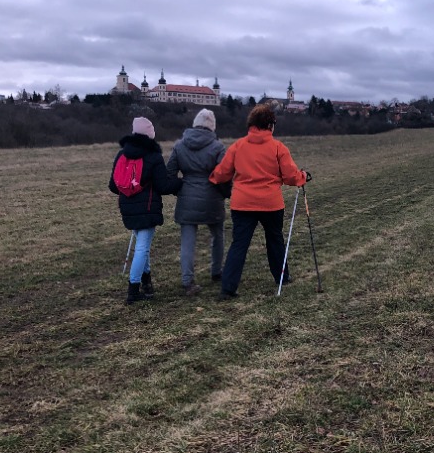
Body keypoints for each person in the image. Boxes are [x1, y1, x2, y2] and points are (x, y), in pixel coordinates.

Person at [209, 104, 309, 299]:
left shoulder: (238, 146)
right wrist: (303, 176)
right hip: (270, 203)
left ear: (251, 124)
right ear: (270, 125)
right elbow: (290, 176)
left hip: (242, 203)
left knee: (239, 244)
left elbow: (222, 173)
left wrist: (211, 178)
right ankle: (282, 277)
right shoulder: (278, 147)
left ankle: (228, 288)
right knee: (274, 240)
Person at [110, 116, 182, 304]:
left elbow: (112, 185)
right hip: (148, 207)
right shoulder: (153, 156)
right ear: (151, 134)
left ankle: (146, 282)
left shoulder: (121, 154)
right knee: (142, 247)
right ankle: (133, 290)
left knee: (143, 247)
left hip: (128, 209)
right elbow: (163, 186)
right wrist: (181, 184)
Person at [166, 108, 227, 296]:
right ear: (212, 126)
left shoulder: (179, 145)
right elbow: (224, 176)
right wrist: (225, 193)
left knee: (187, 241)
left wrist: (180, 189)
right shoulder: (218, 147)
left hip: (187, 197)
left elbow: (170, 173)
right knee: (217, 235)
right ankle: (216, 272)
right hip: (212, 197)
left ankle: (188, 281)